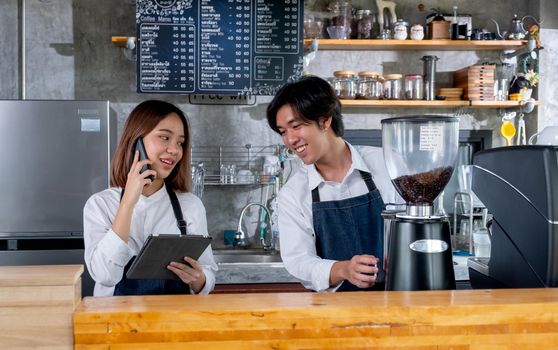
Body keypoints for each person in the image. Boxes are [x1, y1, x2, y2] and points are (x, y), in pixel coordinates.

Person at [266, 75, 399, 292]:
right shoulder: (293, 193)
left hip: (397, 302)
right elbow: (299, 260)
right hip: (333, 313)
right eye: (283, 132)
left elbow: (415, 226)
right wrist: (343, 269)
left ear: (325, 120)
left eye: (296, 126)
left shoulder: (387, 165)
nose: (290, 140)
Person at [84, 100, 217, 296]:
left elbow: (208, 275)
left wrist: (199, 280)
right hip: (116, 321)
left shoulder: (190, 205)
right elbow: (105, 275)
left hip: (173, 322)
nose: (175, 150)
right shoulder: (100, 205)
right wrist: (128, 202)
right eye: (164, 137)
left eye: (180, 142)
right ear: (136, 141)